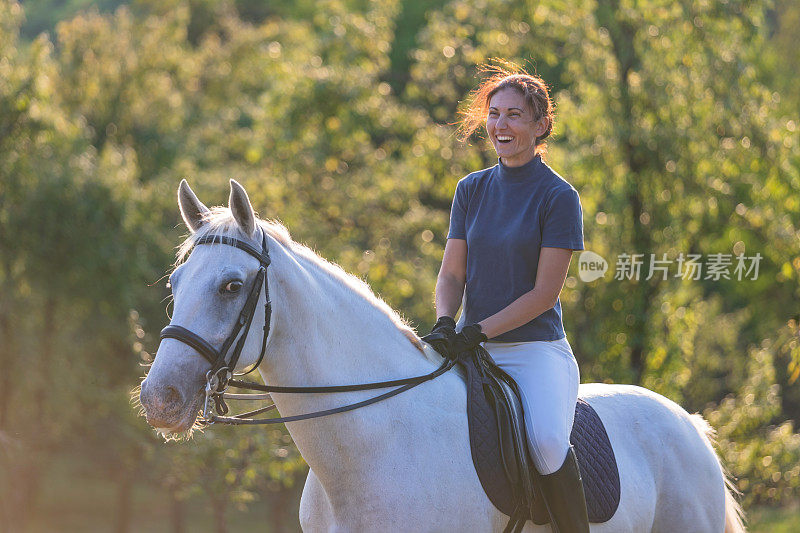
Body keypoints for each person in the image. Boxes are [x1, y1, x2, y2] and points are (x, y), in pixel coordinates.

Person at [422, 65, 589, 532]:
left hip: (535, 351)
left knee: (548, 443)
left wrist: (476, 331)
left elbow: (542, 295)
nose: (501, 126)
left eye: (515, 115)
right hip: (472, 349)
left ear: (540, 126)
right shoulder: (470, 189)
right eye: (494, 115)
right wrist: (443, 321)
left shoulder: (559, 197)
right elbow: (452, 273)